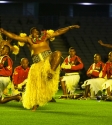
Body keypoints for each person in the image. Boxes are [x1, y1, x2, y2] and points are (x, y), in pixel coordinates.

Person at [0, 25, 80, 111]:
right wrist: (4, 32)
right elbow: (15, 37)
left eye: (36, 32)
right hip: (37, 65)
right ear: (30, 34)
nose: (35, 33)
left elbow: (58, 32)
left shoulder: (46, 37)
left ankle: (51, 72)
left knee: (58, 53)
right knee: (36, 87)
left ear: (39, 33)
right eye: (33, 32)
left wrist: (69, 27)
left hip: (48, 61)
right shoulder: (29, 40)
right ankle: (35, 104)